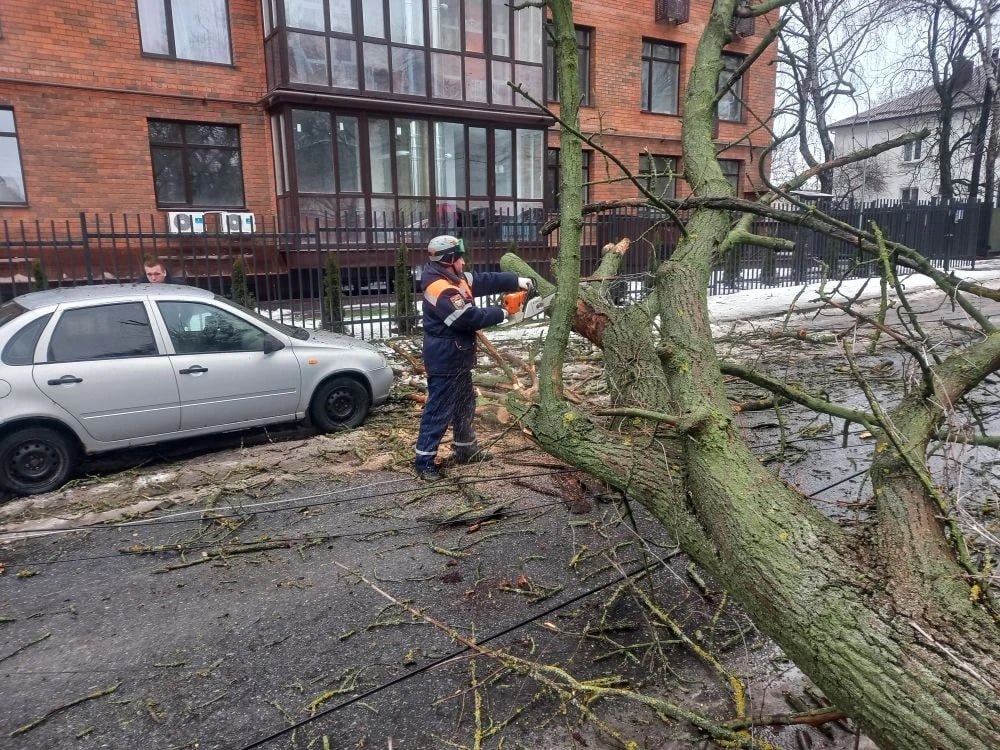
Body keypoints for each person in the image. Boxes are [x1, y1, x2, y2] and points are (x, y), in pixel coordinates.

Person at [415, 235, 533, 481]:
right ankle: (424, 461)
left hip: (457, 355)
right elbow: (466, 318)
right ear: (449, 260)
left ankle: (465, 448)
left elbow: (482, 280)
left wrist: (515, 280)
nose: (464, 261)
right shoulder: (440, 288)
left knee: (465, 403)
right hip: (445, 359)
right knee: (439, 410)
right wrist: (502, 312)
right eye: (460, 257)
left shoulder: (454, 277)